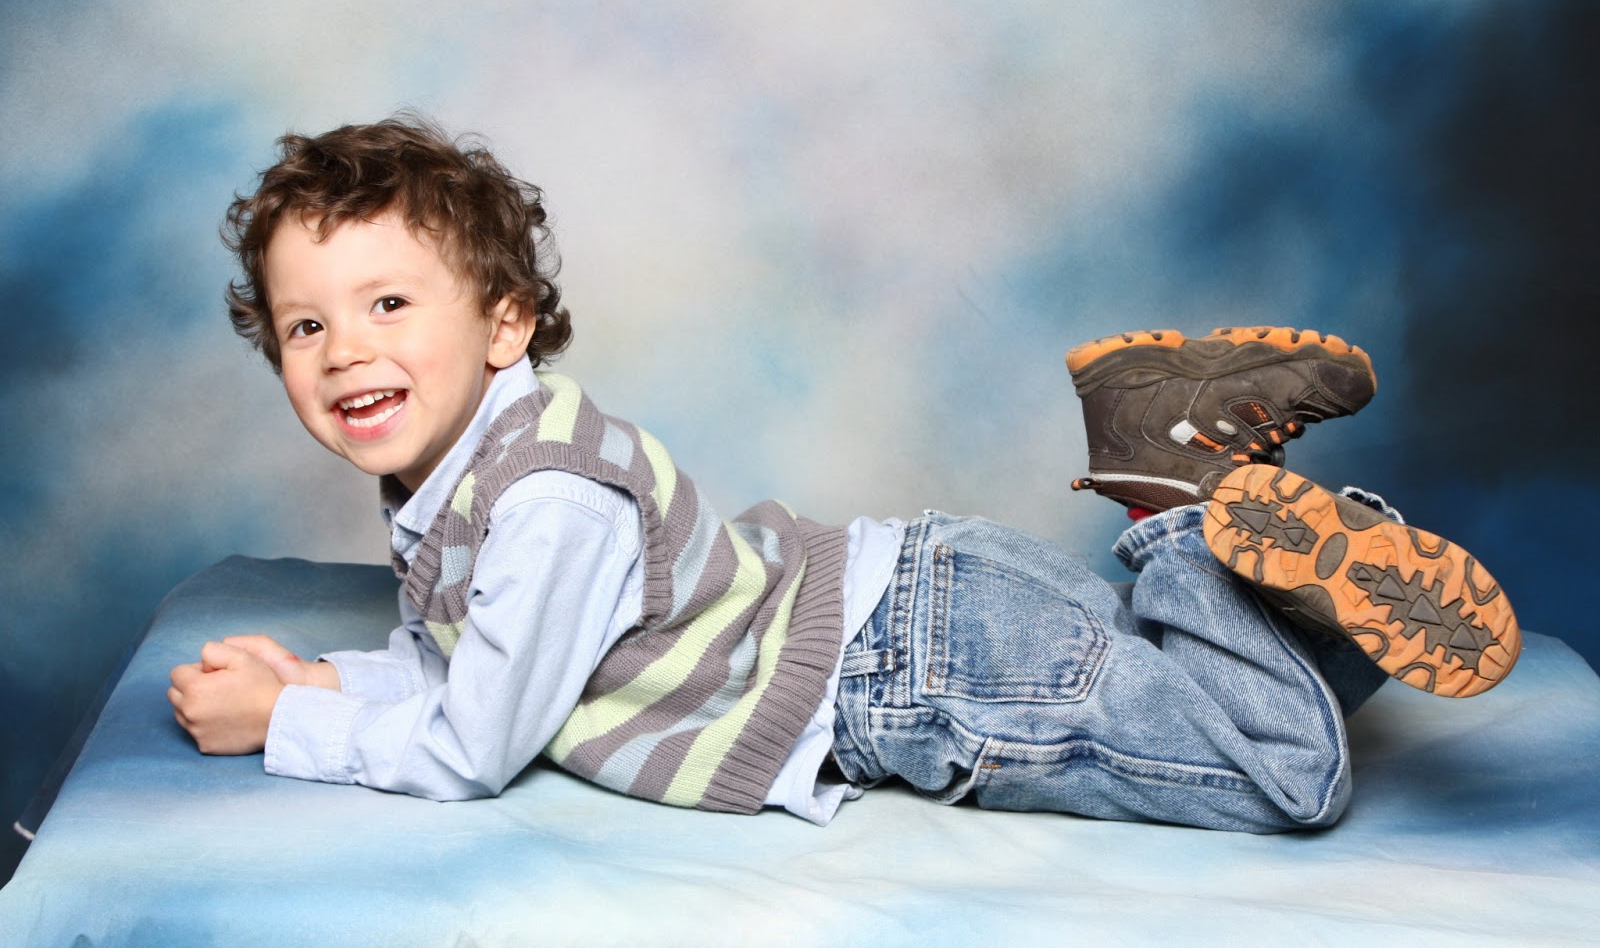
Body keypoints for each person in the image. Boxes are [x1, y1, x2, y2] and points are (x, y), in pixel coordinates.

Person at [168, 116, 1521, 833]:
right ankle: (1273, 560)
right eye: (306, 324)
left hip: (917, 680)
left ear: (505, 320)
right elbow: (474, 656)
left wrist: (285, 728)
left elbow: (476, 742)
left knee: (1288, 772)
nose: (345, 350)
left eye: (390, 305)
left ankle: (1170, 506)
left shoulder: (541, 499)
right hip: (922, 610)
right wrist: (325, 677)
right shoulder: (463, 467)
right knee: (1241, 692)